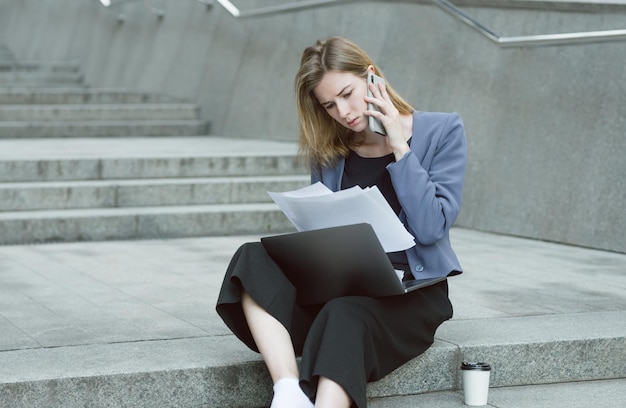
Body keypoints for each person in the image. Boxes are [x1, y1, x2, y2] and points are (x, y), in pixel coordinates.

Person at [216, 36, 467, 408]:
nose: (343, 112)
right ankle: (287, 391)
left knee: (343, 315)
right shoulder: (330, 151)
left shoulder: (442, 131)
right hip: (344, 286)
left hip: (411, 294)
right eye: (330, 105)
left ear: (372, 77)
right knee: (250, 257)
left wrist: (400, 147)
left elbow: (432, 227)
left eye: (347, 94)